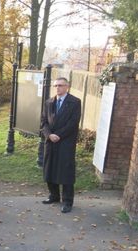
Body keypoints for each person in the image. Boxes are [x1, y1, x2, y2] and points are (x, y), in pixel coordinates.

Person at [41, 77, 82, 213]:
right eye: (55, 86)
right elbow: (44, 122)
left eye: (60, 85)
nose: (57, 88)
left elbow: (73, 123)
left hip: (65, 142)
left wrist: (59, 135)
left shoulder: (75, 102)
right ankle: (54, 195)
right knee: (50, 169)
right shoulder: (49, 102)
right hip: (51, 142)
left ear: (67, 87)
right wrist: (49, 135)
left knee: (65, 172)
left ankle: (67, 201)